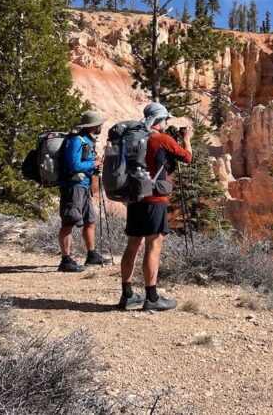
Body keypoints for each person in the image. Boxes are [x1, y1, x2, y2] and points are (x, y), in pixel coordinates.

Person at [118, 102, 193, 311]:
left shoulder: (132, 138)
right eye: (165, 120)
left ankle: (127, 295)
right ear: (160, 120)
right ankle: (151, 297)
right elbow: (187, 158)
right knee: (153, 246)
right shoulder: (161, 139)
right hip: (155, 199)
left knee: (133, 244)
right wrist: (186, 140)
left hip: (135, 197)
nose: (166, 124)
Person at [58, 110, 111, 272]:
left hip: (83, 186)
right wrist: (93, 165)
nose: (101, 126)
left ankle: (92, 255)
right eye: (99, 124)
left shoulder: (87, 140)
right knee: (69, 221)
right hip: (72, 187)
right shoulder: (76, 141)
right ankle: (65, 260)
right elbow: (73, 166)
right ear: (94, 126)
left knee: (90, 220)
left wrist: (94, 167)